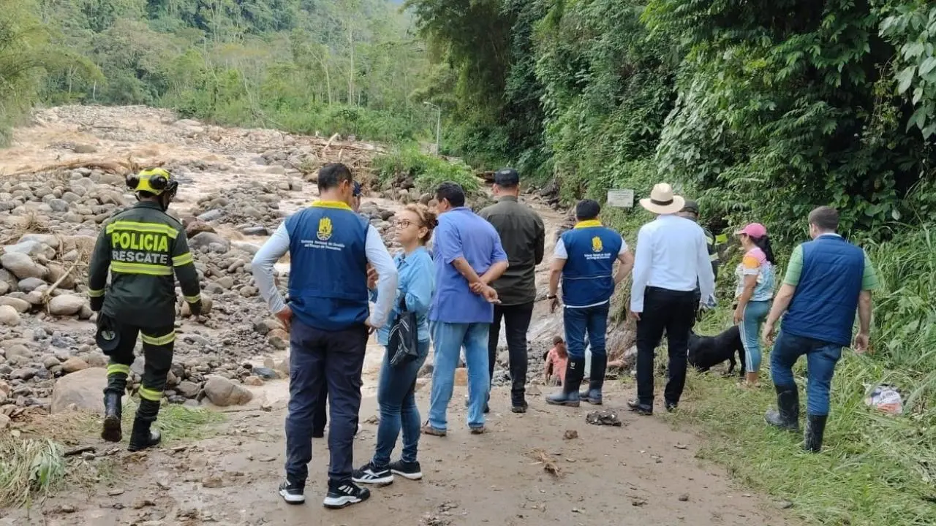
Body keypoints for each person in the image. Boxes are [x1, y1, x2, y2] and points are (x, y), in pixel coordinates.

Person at [252, 162, 398, 508]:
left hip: (305, 325)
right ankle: (338, 485)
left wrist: (278, 306)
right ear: (345, 186)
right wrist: (377, 317)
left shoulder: (296, 221)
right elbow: (390, 273)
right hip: (348, 330)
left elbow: (259, 262)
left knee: (301, 402)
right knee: (345, 404)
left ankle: (294, 482)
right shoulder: (361, 226)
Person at [88, 168, 202, 452]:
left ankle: (113, 406)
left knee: (119, 357)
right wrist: (195, 303)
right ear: (163, 194)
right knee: (155, 370)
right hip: (157, 313)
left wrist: (97, 303)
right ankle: (141, 433)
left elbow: (96, 270)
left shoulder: (113, 224)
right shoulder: (171, 228)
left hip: (119, 309)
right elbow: (187, 275)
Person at [762, 206, 877, 452]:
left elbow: (786, 293)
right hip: (832, 334)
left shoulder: (803, 250)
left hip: (796, 328)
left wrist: (770, 322)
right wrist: (864, 332)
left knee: (780, 363)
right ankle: (812, 444)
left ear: (813, 226)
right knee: (819, 384)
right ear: (836, 226)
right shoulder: (859, 256)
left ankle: (787, 418)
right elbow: (865, 299)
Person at [353, 204, 436, 484]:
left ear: (422, 231)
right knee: (404, 401)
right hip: (401, 337)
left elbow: (419, 303)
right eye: (398, 222)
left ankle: (379, 466)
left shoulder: (422, 261)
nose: (398, 227)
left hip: (408, 340)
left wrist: (393, 289)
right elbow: (388, 296)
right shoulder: (401, 257)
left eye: (406, 223)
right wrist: (375, 286)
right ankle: (409, 462)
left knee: (388, 404)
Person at [424, 182, 508, 436]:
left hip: (450, 304)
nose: (436, 210)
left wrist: (477, 284)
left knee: (445, 363)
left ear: (444, 203)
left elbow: (456, 259)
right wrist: (483, 284)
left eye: (436, 205)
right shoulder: (485, 225)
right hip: (480, 309)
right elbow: (502, 261)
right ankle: (476, 419)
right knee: (479, 363)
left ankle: (437, 421)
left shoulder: (446, 223)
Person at [628, 183, 715, 415]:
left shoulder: (649, 230)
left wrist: (635, 301)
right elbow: (704, 266)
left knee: (646, 346)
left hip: (655, 294)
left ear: (653, 206)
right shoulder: (694, 230)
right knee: (678, 348)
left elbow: (642, 269)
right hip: (685, 296)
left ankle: (645, 401)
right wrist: (707, 295)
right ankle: (672, 401)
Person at [546, 199, 634, 407]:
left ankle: (571, 393)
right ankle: (595, 392)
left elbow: (555, 270)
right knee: (598, 343)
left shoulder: (568, 238)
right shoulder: (613, 236)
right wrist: (613, 282)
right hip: (601, 298)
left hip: (576, 301)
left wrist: (551, 295)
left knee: (576, 345)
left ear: (576, 216)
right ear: (598, 215)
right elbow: (629, 261)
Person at [478, 168, 546, 413]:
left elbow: (477, 255)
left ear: (495, 188)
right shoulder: (534, 218)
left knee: (487, 343)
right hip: (522, 291)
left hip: (491, 291)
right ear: (519, 187)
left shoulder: (485, 216)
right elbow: (538, 258)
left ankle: (481, 399)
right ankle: (518, 398)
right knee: (518, 342)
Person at [312, 180, 365, 439]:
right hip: (348, 318)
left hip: (312, 314)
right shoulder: (360, 227)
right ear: (349, 195)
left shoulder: (308, 220)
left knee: (316, 374)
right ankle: (345, 428)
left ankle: (315, 425)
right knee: (346, 381)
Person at [732, 223, 776, 387]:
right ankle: (754, 378)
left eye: (742, 236)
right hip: (764, 303)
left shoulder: (751, 257)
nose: (741, 239)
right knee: (754, 343)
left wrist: (739, 308)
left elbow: (749, 285)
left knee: (749, 344)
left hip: (751, 305)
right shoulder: (765, 255)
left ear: (747, 237)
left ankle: (751, 382)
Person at [677, 200, 719, 318]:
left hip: (667, 289)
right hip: (694, 291)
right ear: (698, 215)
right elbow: (713, 265)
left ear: (678, 213)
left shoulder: (667, 231)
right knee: (685, 328)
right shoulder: (707, 236)